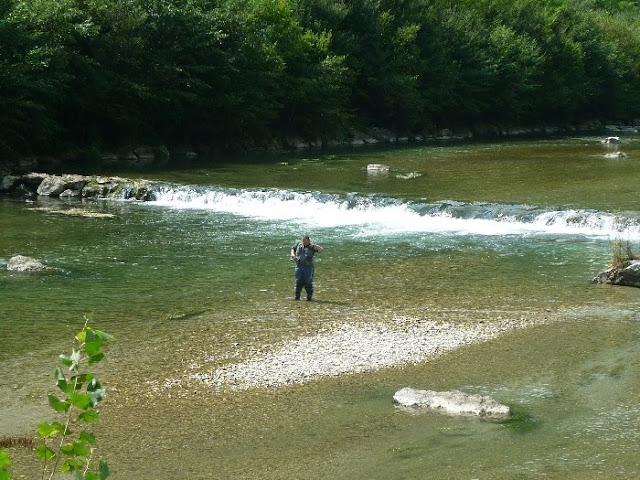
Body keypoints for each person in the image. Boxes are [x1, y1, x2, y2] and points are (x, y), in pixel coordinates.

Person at [290, 235, 325, 301]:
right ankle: (297, 297)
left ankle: (309, 298)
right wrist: (292, 255)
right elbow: (293, 249)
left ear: (309, 241)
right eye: (303, 241)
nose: (304, 242)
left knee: (308, 282)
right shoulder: (298, 244)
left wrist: (314, 246)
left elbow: (321, 250)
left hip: (308, 267)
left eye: (306, 241)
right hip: (299, 266)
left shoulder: (312, 247)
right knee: (298, 281)